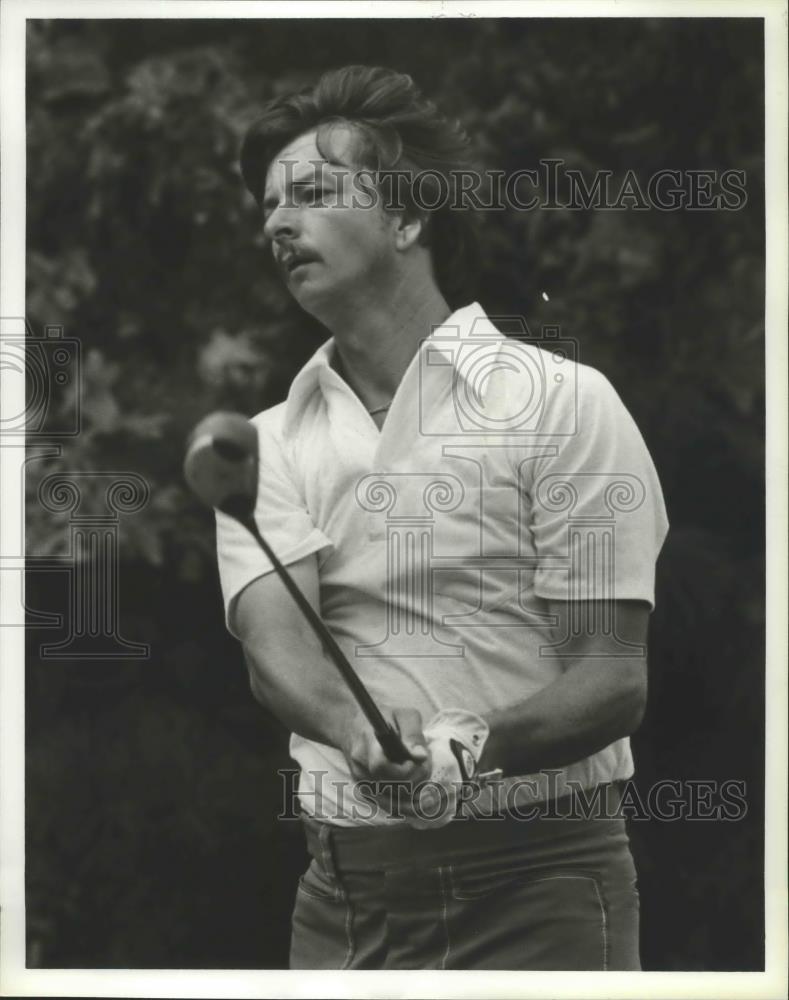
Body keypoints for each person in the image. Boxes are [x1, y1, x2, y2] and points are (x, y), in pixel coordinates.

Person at [215, 65, 669, 970]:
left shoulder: (563, 403)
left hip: (542, 880)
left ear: (406, 218)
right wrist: (355, 734)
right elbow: (279, 658)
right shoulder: (258, 445)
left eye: (310, 193)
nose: (276, 222)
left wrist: (471, 748)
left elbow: (612, 679)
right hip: (345, 896)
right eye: (269, 205)